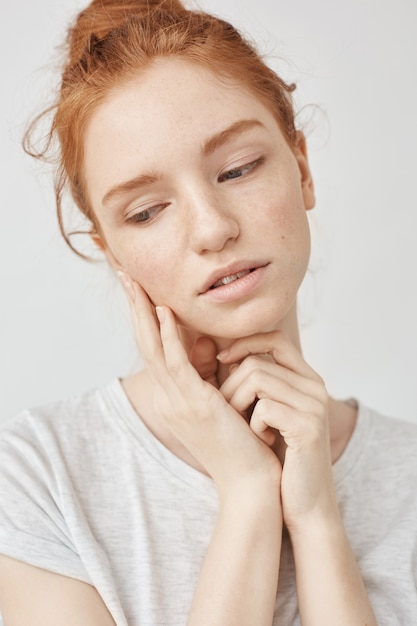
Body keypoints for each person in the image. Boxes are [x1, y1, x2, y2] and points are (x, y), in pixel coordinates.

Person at [0, 0, 416, 624]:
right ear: (110, 250)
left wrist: (318, 520)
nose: (213, 228)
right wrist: (249, 498)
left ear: (301, 167)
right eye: (145, 211)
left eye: (238, 169)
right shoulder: (41, 476)